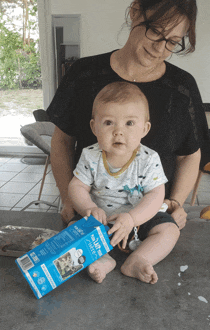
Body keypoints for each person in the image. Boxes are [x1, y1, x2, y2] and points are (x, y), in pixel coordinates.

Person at [47, 0, 209, 231]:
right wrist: (69, 200)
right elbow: (62, 141)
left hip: (149, 219)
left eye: (172, 42)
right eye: (156, 31)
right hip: (92, 217)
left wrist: (176, 202)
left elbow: (190, 154)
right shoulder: (84, 73)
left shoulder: (181, 88)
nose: (160, 48)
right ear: (135, 11)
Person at [68, 82, 180, 284]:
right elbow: (77, 186)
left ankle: (139, 259)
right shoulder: (90, 155)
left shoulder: (148, 159)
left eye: (129, 123)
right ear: (94, 127)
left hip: (138, 221)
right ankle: (103, 260)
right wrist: (88, 207)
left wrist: (132, 218)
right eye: (109, 122)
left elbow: (156, 195)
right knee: (73, 228)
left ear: (145, 129)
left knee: (169, 230)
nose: (118, 131)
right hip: (100, 221)